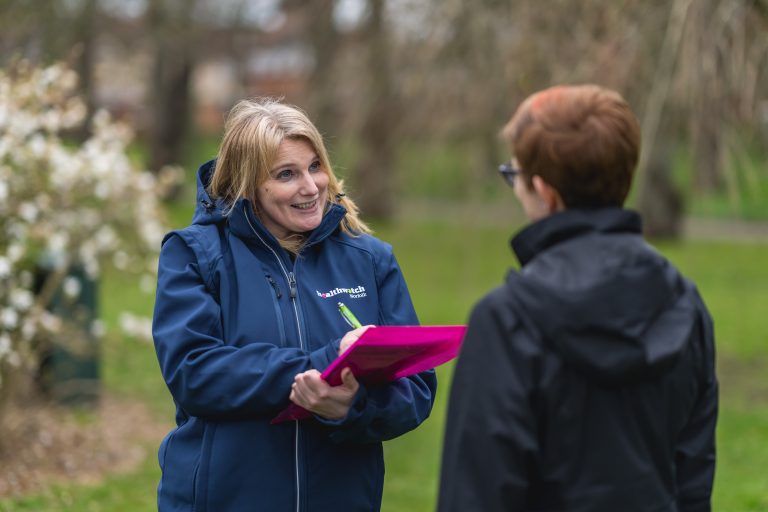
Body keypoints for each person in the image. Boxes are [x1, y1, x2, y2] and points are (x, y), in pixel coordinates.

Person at [437, 84, 717, 512]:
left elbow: (476, 493)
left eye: (514, 175)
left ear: (546, 191)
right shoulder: (684, 302)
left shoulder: (506, 322)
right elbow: (693, 483)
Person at [152, 98, 437, 512]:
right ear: (248, 182)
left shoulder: (370, 260)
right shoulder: (196, 254)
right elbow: (194, 372)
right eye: (287, 174)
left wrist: (350, 407)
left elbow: (416, 387)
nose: (311, 187)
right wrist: (323, 366)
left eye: (315, 167)